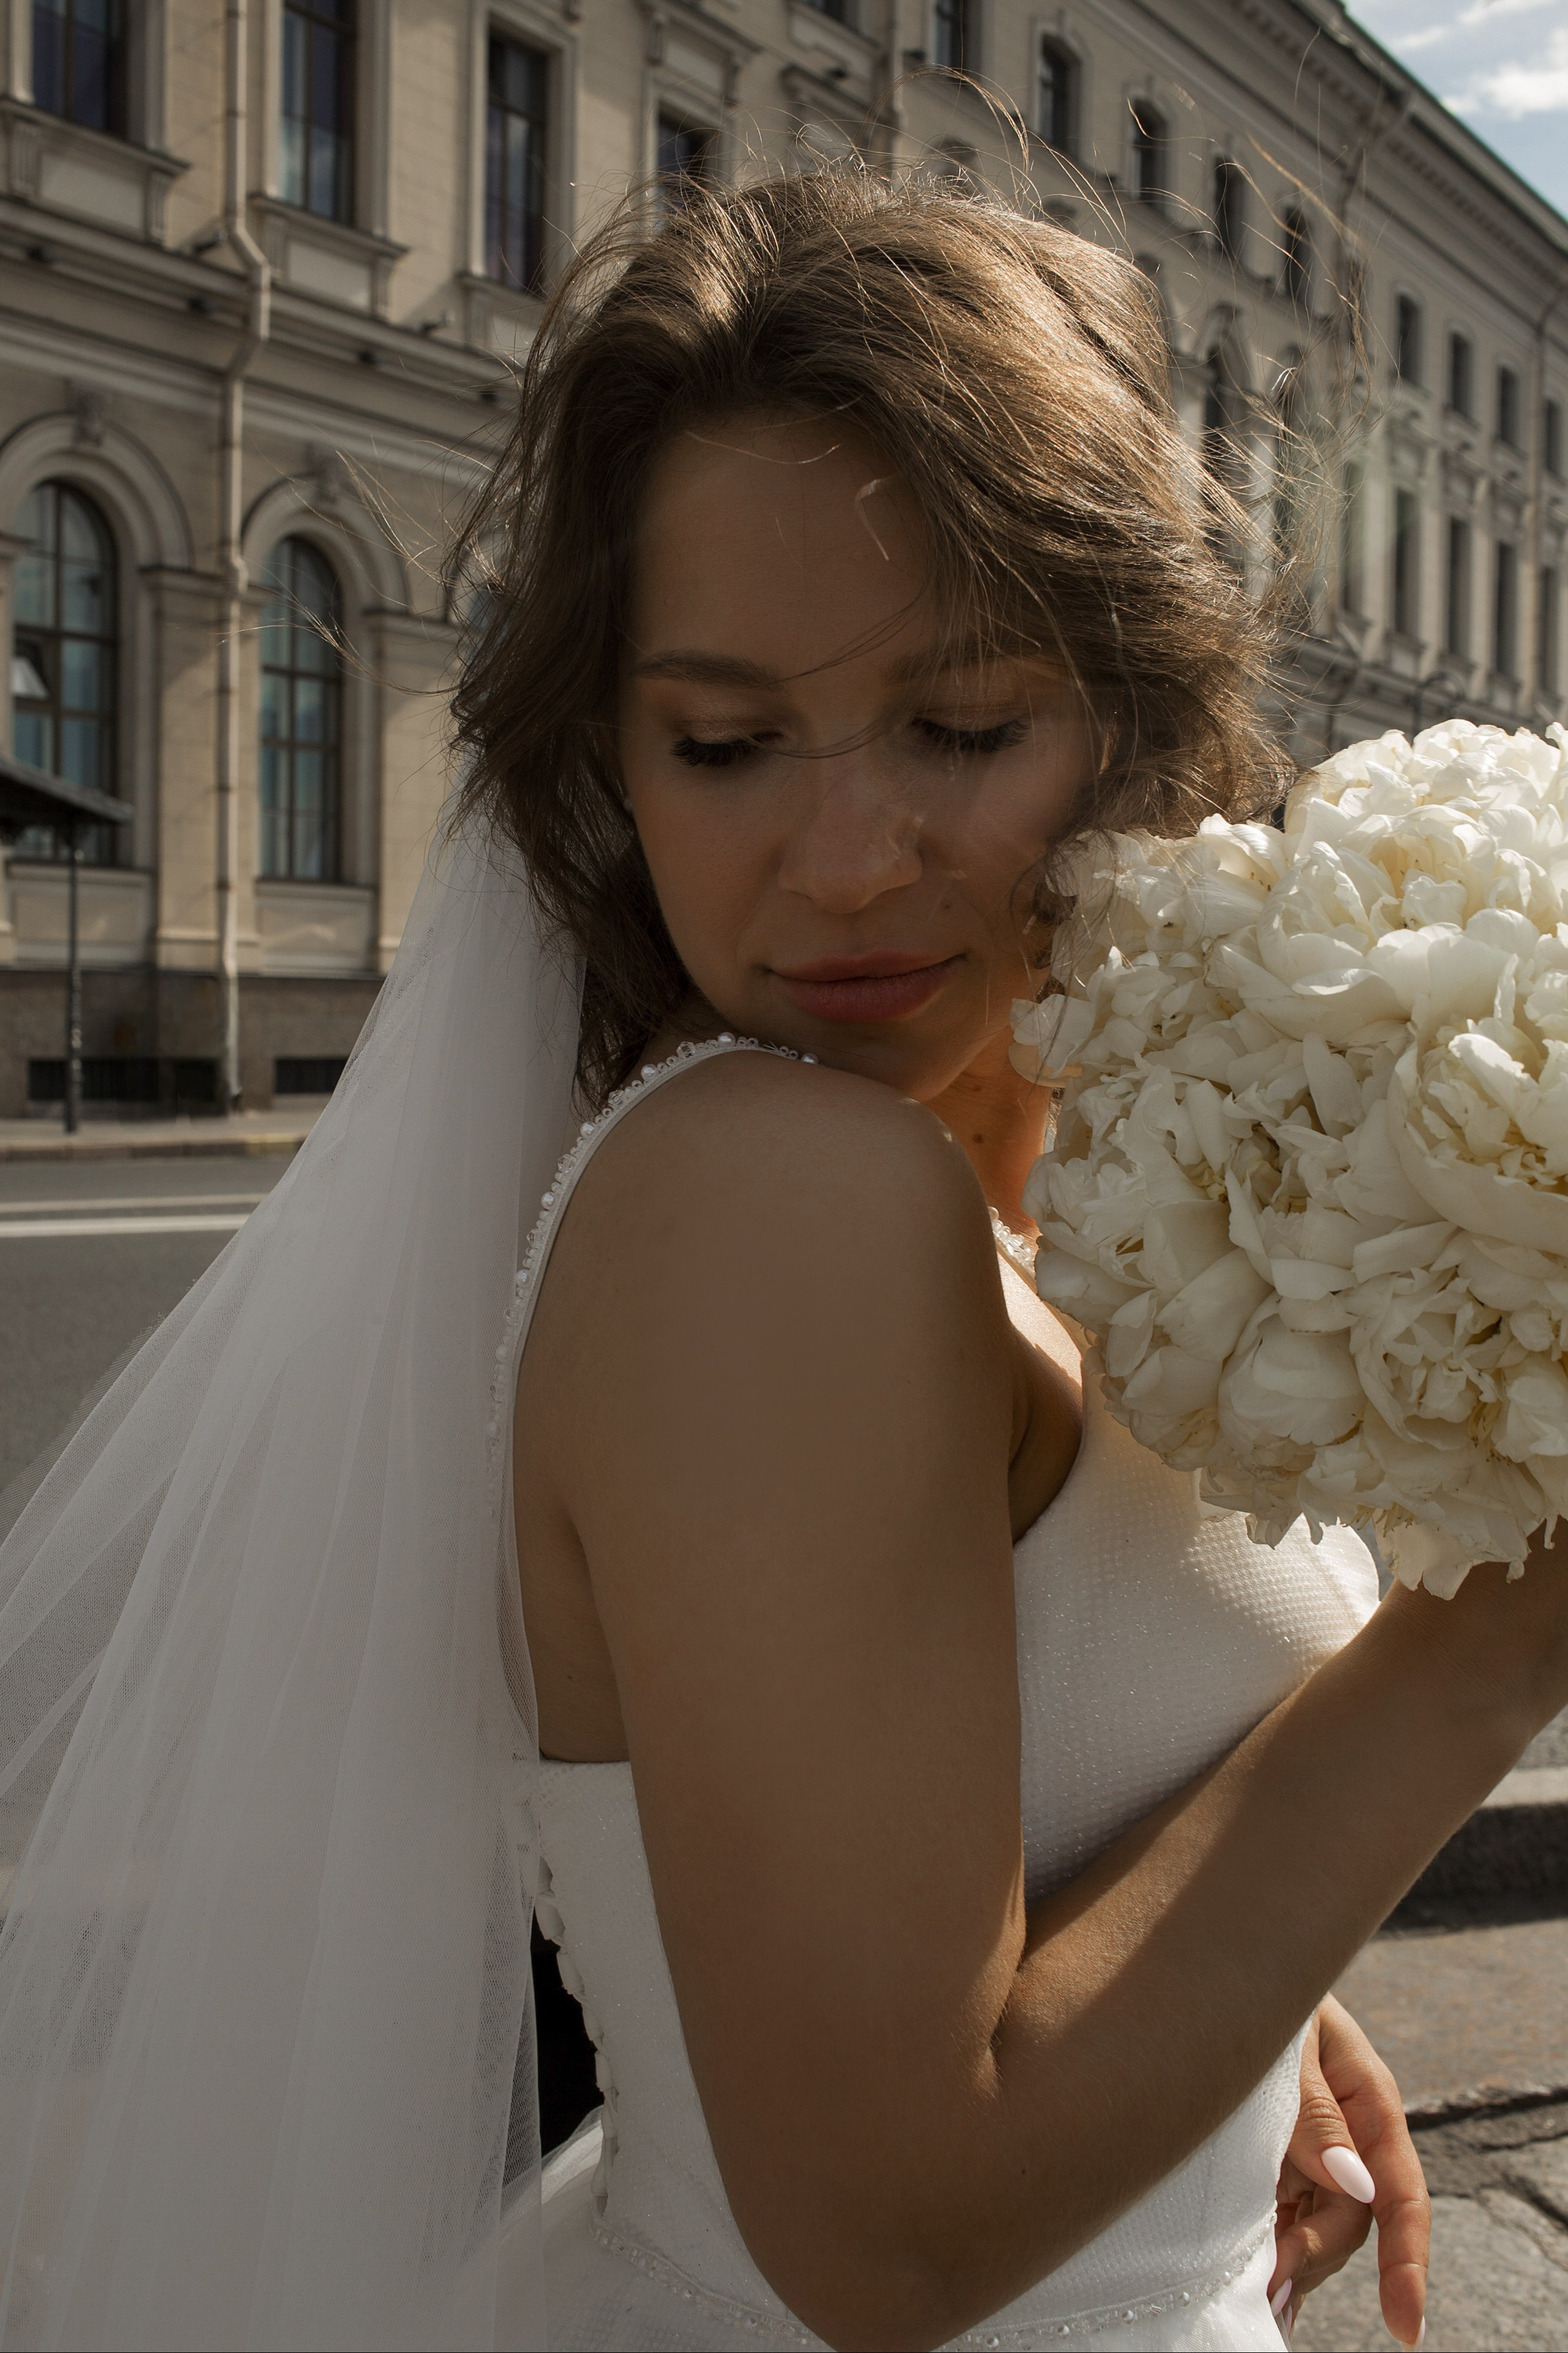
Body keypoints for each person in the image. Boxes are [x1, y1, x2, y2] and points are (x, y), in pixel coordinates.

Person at [0, 167, 1559, 2353]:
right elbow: (887, 2230)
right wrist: (1497, 1634)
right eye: (725, 743)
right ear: (610, 765)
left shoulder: (984, 1192)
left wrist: (1234, 2013)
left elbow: (959, 1848)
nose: (845, 860)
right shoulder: (777, 1193)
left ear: (1125, 706)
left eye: (962, 721)